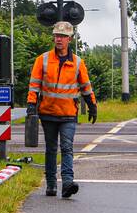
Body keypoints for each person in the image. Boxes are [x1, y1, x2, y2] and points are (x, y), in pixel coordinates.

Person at [26, 21, 98, 198]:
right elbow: (34, 85)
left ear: (70, 39)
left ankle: (67, 183)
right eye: (57, 36)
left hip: (68, 114)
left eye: (63, 36)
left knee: (67, 147)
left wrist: (92, 106)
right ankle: (51, 184)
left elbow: (86, 87)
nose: (59, 39)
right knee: (51, 149)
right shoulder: (42, 60)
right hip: (48, 113)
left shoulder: (78, 63)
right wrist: (31, 105)